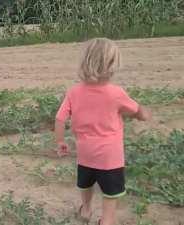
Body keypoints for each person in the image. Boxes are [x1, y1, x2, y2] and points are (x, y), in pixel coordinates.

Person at [54, 38, 151, 225]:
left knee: (86, 183)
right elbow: (137, 111)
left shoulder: (74, 92)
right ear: (113, 65)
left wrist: (60, 141)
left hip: (85, 153)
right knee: (110, 194)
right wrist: (145, 114)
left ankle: (86, 209)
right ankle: (107, 221)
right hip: (110, 157)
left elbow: (59, 118)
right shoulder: (115, 93)